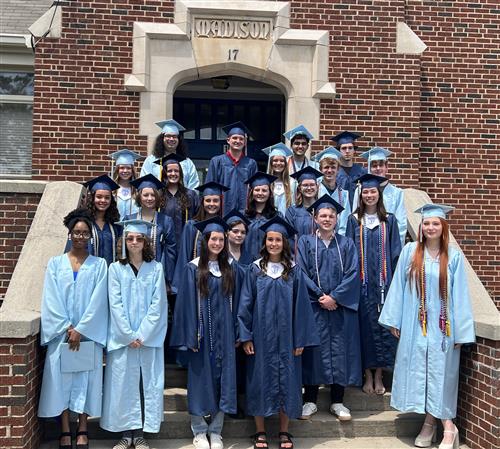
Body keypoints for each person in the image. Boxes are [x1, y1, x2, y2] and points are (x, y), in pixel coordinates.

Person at [379, 204, 475, 449]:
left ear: (443, 228)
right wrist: (394, 319)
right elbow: (398, 286)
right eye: (427, 223)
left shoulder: (452, 256)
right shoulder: (411, 251)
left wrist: (462, 331)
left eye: (435, 223)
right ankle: (432, 424)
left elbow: (461, 294)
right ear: (420, 227)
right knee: (422, 373)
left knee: (442, 375)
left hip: (444, 328)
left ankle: (445, 428)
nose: (430, 227)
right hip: (415, 325)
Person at [238, 216, 319, 449]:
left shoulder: (293, 271)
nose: (274, 243)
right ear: (265, 242)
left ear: (285, 243)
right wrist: (245, 336)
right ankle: (260, 432)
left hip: (288, 339)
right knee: (259, 382)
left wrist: (301, 338)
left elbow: (302, 307)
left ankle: (284, 432)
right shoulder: (254, 269)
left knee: (288, 382)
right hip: (261, 338)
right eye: (270, 239)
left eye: (278, 240)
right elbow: (245, 305)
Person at [39, 208, 108, 449]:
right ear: (69, 235)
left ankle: (83, 428)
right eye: (76, 232)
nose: (80, 236)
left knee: (85, 381)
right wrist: (68, 328)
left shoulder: (100, 265)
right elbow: (51, 298)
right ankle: (66, 429)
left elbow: (100, 301)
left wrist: (82, 329)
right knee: (62, 382)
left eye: (84, 233)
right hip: (62, 335)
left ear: (90, 236)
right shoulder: (55, 263)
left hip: (87, 336)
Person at [170, 217, 242, 449]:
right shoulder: (192, 268)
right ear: (206, 241)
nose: (218, 243)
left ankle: (216, 431)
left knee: (224, 383)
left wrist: (239, 334)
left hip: (226, 338)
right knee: (200, 382)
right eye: (214, 239)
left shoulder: (231, 269)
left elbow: (241, 303)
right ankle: (199, 430)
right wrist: (189, 335)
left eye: (221, 239)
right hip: (201, 337)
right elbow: (184, 307)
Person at [101, 219, 168, 449]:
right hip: (123, 340)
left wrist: (143, 335)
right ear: (124, 241)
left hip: (147, 341)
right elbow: (115, 305)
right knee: (123, 386)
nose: (135, 242)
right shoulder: (115, 269)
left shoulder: (156, 268)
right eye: (130, 238)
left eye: (139, 238)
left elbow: (158, 305)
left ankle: (140, 435)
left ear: (145, 242)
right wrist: (129, 335)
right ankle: (125, 435)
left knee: (145, 385)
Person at [297, 195, 361, 421]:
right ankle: (310, 401)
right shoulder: (305, 242)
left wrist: (335, 297)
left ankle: (337, 401)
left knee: (340, 351)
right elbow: (301, 273)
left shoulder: (346, 243)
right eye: (322, 215)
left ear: (337, 219)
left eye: (331, 216)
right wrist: (320, 296)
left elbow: (354, 273)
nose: (327, 219)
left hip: (339, 308)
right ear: (314, 218)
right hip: (314, 307)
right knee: (314, 351)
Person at [346, 174, 402, 396]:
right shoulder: (353, 220)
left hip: (383, 287)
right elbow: (349, 254)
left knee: (383, 329)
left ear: (379, 194)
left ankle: (379, 374)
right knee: (363, 329)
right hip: (360, 287)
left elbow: (396, 253)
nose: (369, 195)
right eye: (366, 192)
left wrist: (395, 286)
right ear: (361, 195)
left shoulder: (389, 220)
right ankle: (367, 374)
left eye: (373, 192)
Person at [172, 181, 228, 291]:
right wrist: (181, 285)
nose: (212, 204)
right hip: (195, 281)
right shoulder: (192, 226)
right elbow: (184, 256)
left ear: (221, 202)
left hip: (219, 283)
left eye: (216, 200)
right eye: (208, 200)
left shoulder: (225, 226)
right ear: (202, 202)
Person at [125, 174, 177, 291]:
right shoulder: (129, 220)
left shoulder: (166, 221)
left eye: (153, 195)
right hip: (132, 274)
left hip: (157, 274)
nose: (149, 198)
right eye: (146, 195)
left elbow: (170, 252)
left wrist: (165, 276)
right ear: (139, 197)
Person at [351, 146, 407, 247]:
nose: (378, 169)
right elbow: (355, 219)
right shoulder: (359, 190)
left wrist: (394, 248)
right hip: (364, 244)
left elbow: (401, 225)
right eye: (374, 165)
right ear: (369, 168)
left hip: (387, 245)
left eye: (381, 165)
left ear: (386, 167)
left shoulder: (397, 193)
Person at [205, 121, 258, 215]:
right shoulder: (217, 161)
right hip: (221, 212)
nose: (238, 141)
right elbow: (210, 188)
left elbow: (255, 189)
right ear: (228, 140)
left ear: (245, 142)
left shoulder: (251, 163)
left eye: (241, 139)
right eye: (234, 138)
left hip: (245, 213)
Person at [140, 119, 200, 189]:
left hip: (182, 199)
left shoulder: (187, 162)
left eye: (174, 136)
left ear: (179, 140)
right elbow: (145, 183)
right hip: (157, 199)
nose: (171, 139)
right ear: (162, 139)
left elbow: (193, 186)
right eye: (168, 136)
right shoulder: (151, 161)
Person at [157, 153, 200, 249]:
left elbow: (198, 218)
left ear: (180, 173)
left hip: (186, 244)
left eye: (176, 171)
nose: (173, 174)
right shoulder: (158, 196)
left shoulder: (191, 195)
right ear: (164, 173)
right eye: (169, 171)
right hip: (164, 245)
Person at [77, 174, 122, 266]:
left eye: (107, 197)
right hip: (88, 272)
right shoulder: (83, 223)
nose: (103, 200)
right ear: (92, 198)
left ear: (111, 200)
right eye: (99, 197)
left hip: (110, 274)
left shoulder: (116, 225)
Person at [242, 172, 279, 264]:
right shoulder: (243, 216)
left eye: (264, 190)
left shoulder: (276, 216)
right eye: (257, 190)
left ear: (269, 193)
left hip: (268, 264)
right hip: (245, 264)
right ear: (251, 192)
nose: (260, 193)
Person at [313, 146, 351, 235]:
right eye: (326, 167)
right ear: (320, 169)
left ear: (338, 169)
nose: (329, 170)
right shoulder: (314, 191)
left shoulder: (344, 194)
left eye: (333, 167)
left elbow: (344, 223)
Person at [286, 166, 323, 240]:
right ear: (299, 188)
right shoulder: (292, 212)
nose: (309, 188)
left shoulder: (323, 209)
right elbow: (289, 238)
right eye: (305, 185)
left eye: (312, 185)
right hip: (297, 250)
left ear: (317, 187)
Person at [331, 131, 367, 208]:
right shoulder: (333, 172)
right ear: (338, 151)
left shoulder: (362, 172)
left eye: (350, 148)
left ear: (354, 150)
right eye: (344, 148)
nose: (347, 151)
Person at [109, 148, 143, 220]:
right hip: (114, 228)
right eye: (122, 168)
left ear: (132, 170)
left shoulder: (138, 190)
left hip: (133, 229)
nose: (125, 171)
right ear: (117, 170)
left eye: (128, 168)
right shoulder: (111, 189)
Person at [262, 143, 293, 216]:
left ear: (285, 163)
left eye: (282, 161)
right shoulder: (265, 183)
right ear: (270, 163)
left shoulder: (292, 183)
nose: (279, 163)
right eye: (275, 160)